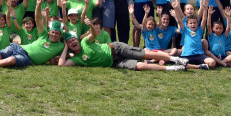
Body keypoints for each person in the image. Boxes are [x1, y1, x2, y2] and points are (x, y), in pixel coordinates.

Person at [57, 16, 187, 71]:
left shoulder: (85, 42)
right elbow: (61, 65)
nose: (73, 42)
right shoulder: (78, 59)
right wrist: (65, 48)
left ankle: (175, 59)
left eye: (74, 39)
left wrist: (91, 25)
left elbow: (94, 34)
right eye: (70, 42)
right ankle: (172, 68)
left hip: (116, 48)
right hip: (115, 63)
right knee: (140, 66)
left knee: (144, 54)